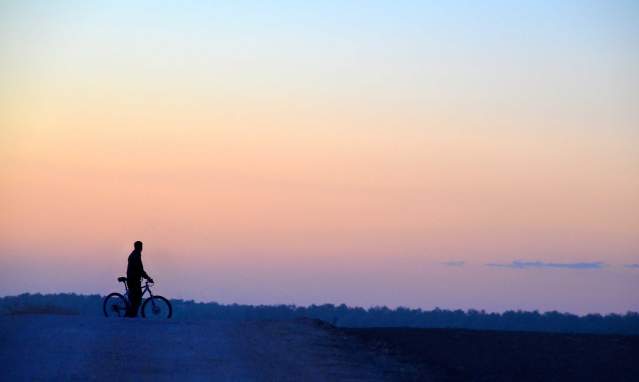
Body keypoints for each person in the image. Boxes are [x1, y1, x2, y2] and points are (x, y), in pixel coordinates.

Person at [126, 241, 153, 317]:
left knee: (136, 297)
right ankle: (131, 314)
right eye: (141, 247)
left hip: (134, 279)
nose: (142, 248)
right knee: (136, 298)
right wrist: (147, 277)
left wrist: (146, 276)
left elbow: (139, 269)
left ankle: (132, 314)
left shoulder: (135, 254)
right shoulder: (135, 256)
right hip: (133, 279)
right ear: (138, 247)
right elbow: (139, 269)